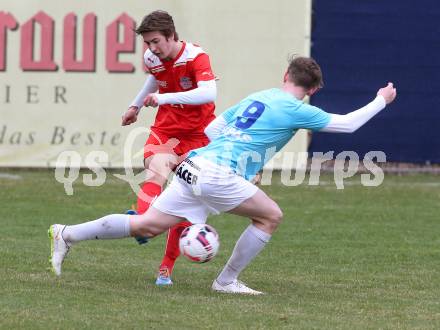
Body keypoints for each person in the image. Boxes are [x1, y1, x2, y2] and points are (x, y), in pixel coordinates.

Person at [49, 56, 397, 294]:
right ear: (313, 90)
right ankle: (227, 281)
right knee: (270, 217)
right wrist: (381, 99)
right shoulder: (297, 109)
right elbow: (349, 124)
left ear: (285, 77)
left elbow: (215, 129)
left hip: (193, 165)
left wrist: (244, 157)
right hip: (215, 173)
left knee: (147, 225)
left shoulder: (261, 96)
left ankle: (67, 233)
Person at [121, 10, 217, 286]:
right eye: (147, 43)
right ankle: (142, 223)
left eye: (155, 42)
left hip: (199, 136)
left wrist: (162, 99)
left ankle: (165, 268)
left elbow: (209, 93)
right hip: (166, 131)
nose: (151, 49)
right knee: (156, 170)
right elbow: (154, 76)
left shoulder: (196, 57)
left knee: (186, 203)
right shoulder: (152, 57)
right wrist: (135, 106)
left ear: (171, 36)